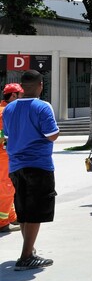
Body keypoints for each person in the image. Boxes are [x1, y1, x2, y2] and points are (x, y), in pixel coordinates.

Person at [3, 71, 59, 270]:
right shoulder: (42, 107)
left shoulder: (9, 108)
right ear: (40, 85)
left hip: (16, 165)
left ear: (21, 86)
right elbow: (52, 135)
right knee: (35, 211)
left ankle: (30, 250)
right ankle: (26, 256)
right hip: (38, 164)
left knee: (24, 211)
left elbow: (8, 134)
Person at [0, 83, 23, 233]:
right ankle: (2, 222)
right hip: (4, 156)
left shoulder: (4, 109)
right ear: (13, 96)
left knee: (10, 187)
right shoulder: (4, 112)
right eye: (21, 95)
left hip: (6, 155)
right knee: (7, 188)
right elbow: (2, 136)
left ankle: (11, 216)